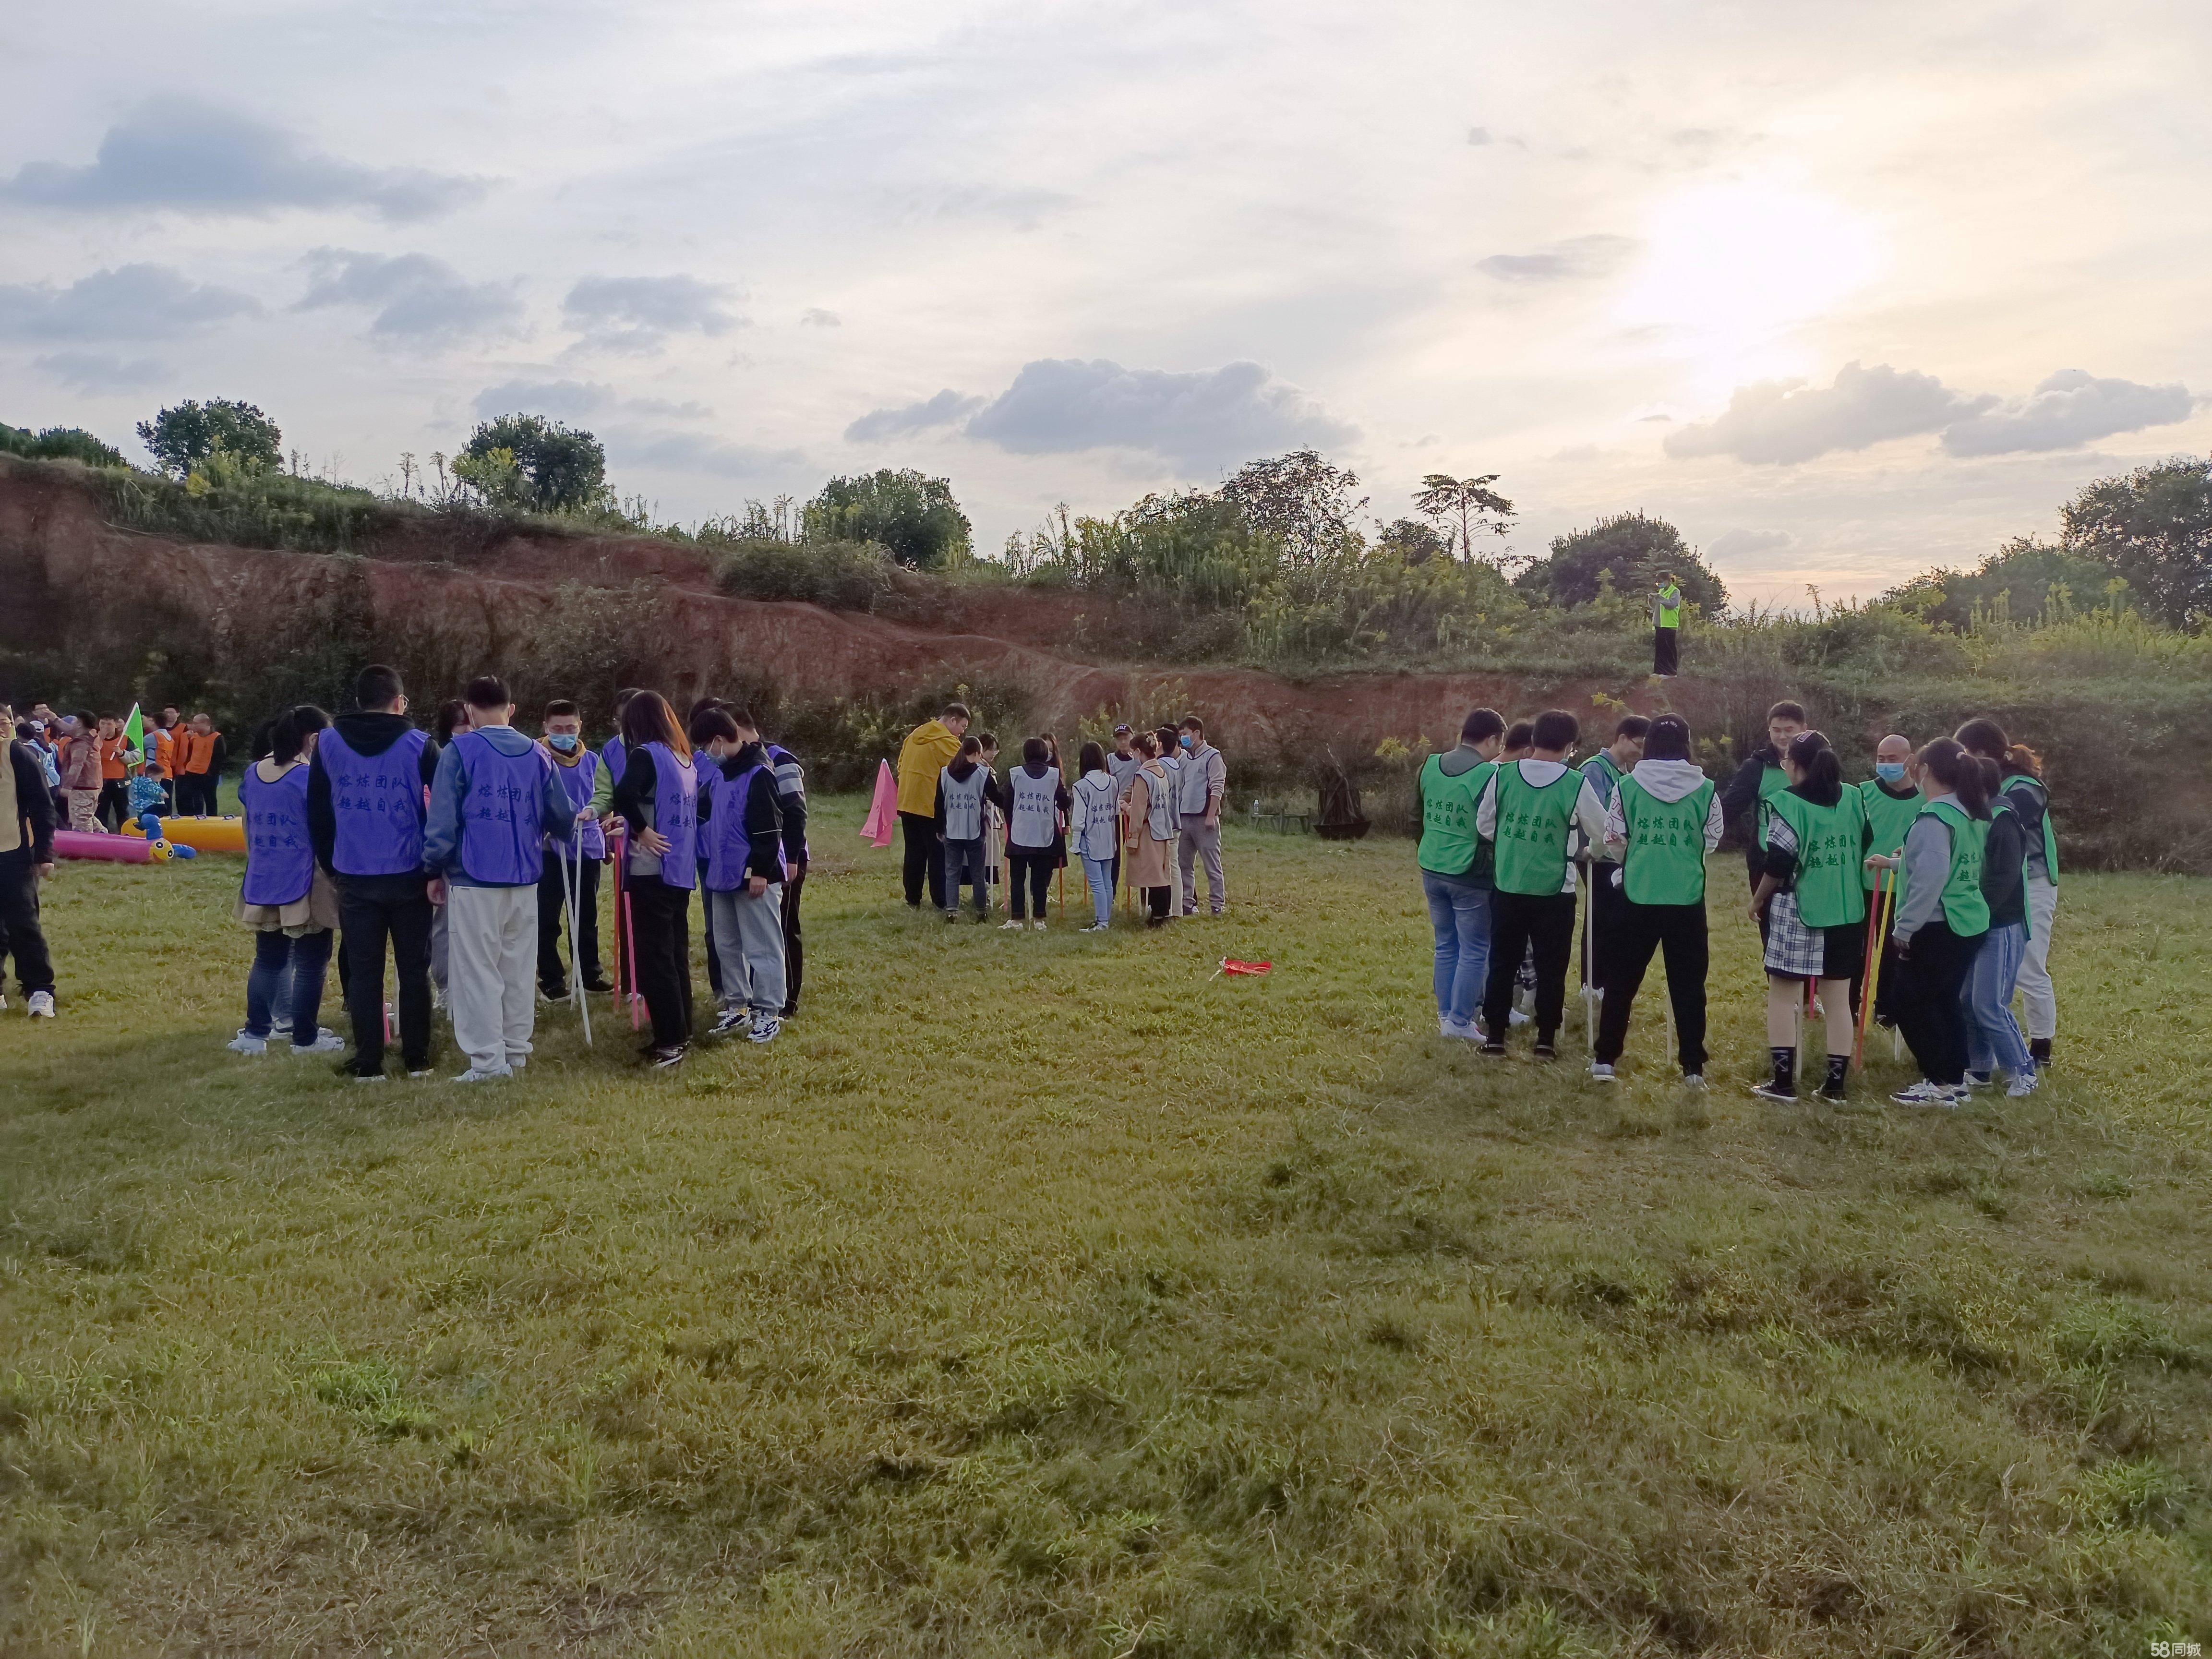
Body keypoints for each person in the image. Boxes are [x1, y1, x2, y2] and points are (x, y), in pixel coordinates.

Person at [424, 675, 573, 1082]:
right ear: (511, 709)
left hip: (474, 877)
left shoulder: (461, 750)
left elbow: (442, 820)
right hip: (525, 877)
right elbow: (563, 817)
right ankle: (515, 1052)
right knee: (518, 970)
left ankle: (488, 1062)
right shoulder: (537, 754)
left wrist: (432, 867)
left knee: (477, 972)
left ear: (469, 710)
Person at [309, 665, 441, 1082]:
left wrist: (330, 864)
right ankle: (418, 1058)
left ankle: (369, 1062)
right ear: (399, 701)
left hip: (354, 873)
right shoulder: (421, 745)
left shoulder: (327, 743)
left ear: (359, 701)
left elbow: (318, 809)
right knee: (413, 969)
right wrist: (435, 866)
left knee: (364, 973)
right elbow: (440, 812)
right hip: (410, 873)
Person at [1593, 713, 1723, 1085]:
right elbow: (1712, 838)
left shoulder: (1628, 786)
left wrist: (1635, 862)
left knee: (1622, 980)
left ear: (1648, 745)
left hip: (1637, 895)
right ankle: (1693, 1067)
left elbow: (1614, 836)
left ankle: (1605, 1059)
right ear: (1686, 746)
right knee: (1688, 986)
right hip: (1686, 897)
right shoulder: (1706, 788)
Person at [1475, 709, 1610, 1058]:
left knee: (1503, 963)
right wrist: (1590, 851)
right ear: (1569, 746)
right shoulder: (1575, 783)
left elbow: (1485, 826)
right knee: (1552, 966)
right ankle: (1546, 1039)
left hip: (1508, 883)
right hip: (1556, 891)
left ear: (1532, 741)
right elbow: (1603, 833)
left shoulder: (1501, 775)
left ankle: (1495, 1038)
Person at [1747, 732, 1869, 1103]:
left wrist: (1756, 901)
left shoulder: (1786, 803)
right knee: (1838, 1001)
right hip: (1847, 912)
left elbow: (1779, 862)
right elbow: (1866, 839)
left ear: (1796, 765)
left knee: (1783, 997)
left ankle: (1783, 1084)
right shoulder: (1854, 796)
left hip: (1800, 911)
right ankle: (1835, 1087)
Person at [1873, 737, 1993, 1108]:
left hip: (1937, 926)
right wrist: (1894, 864)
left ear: (1924, 770)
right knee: (1944, 1001)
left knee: (1908, 1003)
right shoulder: (1969, 813)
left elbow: (1931, 877)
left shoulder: (1934, 817)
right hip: (1968, 921)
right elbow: (1939, 863)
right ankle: (1955, 1081)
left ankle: (1938, 1082)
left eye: (1916, 767)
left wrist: (1904, 929)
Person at [230, 705, 343, 1057]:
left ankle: (255, 1033)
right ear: (313, 739)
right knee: (311, 961)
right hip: (306, 880)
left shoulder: (252, 773)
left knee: (268, 959)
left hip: (263, 880)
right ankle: (305, 1039)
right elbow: (328, 828)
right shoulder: (309, 778)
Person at [1959, 717, 2059, 1070]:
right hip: (2003, 882)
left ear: (1984, 754)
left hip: (2033, 883)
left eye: (1966, 754)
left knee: (2028, 968)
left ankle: (2041, 1047)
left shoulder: (2025, 786)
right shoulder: (1992, 782)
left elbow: (2002, 815)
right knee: (1994, 972)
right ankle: (1992, 1051)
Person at [609, 691, 701, 1067]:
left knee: (654, 959)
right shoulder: (685, 760)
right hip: (679, 868)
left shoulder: (645, 754)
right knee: (675, 953)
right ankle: (681, 1031)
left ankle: (669, 1043)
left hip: (652, 867)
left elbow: (624, 794)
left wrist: (641, 831)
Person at [694, 706, 788, 1042]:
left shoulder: (760, 772)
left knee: (762, 946)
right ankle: (737, 1007)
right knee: (727, 944)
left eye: (706, 746)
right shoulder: (721, 774)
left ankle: (769, 1012)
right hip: (722, 874)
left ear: (719, 740)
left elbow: (770, 827)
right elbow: (702, 812)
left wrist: (760, 871)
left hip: (754, 876)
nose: (706, 754)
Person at [1953, 720, 2037, 1096]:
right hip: (1978, 924)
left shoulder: (2003, 820)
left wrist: (1978, 914)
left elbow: (2002, 881)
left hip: (2000, 926)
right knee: (1968, 1002)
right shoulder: (1978, 820)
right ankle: (1979, 1068)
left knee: (1989, 1004)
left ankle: (2023, 1071)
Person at [1417, 708, 1505, 1040]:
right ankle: (1459, 1021)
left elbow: (1417, 816)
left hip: (1432, 866)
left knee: (1445, 945)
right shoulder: (1488, 774)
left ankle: (1446, 1016)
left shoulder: (1429, 764)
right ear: (1493, 739)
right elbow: (1492, 829)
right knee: (1474, 947)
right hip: (1470, 874)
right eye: (1500, 744)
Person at [537, 700, 611, 1002]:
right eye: (557, 729)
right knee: (547, 917)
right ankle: (552, 980)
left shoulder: (593, 760)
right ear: (546, 728)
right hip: (549, 848)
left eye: (570, 728)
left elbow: (605, 799)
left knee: (585, 915)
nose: (564, 734)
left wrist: (607, 835)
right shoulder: (537, 757)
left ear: (580, 726)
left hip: (587, 847)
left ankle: (589, 973)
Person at [1721, 701, 1807, 934]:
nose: (1782, 737)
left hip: (1812, 861)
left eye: (1789, 730)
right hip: (1768, 861)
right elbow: (1728, 810)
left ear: (1803, 728)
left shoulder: (1820, 762)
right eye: (1776, 730)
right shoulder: (1756, 767)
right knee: (1772, 934)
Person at [1578, 715, 1649, 995]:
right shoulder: (1595, 769)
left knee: (1611, 920)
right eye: (1639, 745)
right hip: (1595, 856)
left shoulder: (1622, 771)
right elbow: (1595, 817)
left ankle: (1604, 981)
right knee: (1598, 919)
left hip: (1615, 857)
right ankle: (1591, 984)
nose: (1642, 753)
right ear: (1621, 738)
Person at [1856, 733, 1920, 1029]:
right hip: (1863, 885)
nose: (1885, 764)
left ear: (1910, 760)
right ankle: (1850, 1007)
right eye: (1881, 758)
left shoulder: (1925, 798)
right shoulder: (1862, 793)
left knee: (1894, 954)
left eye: (1892, 759)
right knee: (1858, 951)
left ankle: (1886, 1011)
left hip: (1903, 888)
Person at [0, 720, 58, 1019]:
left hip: (14, 852)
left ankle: (39, 990)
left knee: (23, 922)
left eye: (3, 724)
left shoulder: (20, 756)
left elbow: (43, 806)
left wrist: (44, 853)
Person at [896, 702, 969, 909]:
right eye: (962, 726)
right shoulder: (945, 741)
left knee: (913, 852)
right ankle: (941, 900)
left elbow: (900, 765)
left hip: (907, 801)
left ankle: (913, 898)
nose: (962, 732)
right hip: (929, 805)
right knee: (938, 853)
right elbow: (963, 767)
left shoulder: (913, 736)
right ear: (952, 720)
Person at [761, 725, 809, 1018]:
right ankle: (765, 994)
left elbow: (796, 811)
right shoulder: (742, 762)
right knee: (765, 930)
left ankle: (789, 999)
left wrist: (791, 856)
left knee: (785, 926)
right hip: (762, 856)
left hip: (788, 858)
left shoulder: (781, 759)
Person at [1002, 736, 1069, 930]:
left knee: (1017, 878)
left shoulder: (1015, 774)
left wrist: (1014, 824)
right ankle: (1039, 919)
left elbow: (1007, 804)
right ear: (1044, 753)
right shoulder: (1054, 775)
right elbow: (1064, 802)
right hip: (1045, 833)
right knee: (1040, 879)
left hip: (1020, 834)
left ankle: (1017, 919)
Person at [935, 734, 996, 921]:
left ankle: (952, 911)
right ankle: (981, 912)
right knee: (978, 874)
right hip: (975, 832)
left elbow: (938, 803)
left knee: (952, 873)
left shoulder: (945, 772)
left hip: (952, 831)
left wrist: (939, 829)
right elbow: (998, 797)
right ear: (978, 753)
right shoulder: (983, 774)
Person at [1174, 716, 1228, 917]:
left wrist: (1211, 815)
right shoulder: (1184, 759)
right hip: (1185, 818)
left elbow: (1217, 787)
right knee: (1183, 864)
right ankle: (1187, 903)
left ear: (1197, 734)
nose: (1183, 739)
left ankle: (1217, 903)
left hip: (1204, 818)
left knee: (1211, 863)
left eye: (1185, 735)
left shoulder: (1213, 756)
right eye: (1181, 736)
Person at [1122, 731, 1178, 925]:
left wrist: (1132, 836)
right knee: (1162, 875)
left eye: (1133, 752)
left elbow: (1139, 810)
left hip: (1148, 830)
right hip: (1163, 828)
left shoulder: (1143, 776)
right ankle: (1163, 913)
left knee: (1152, 877)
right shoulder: (1161, 773)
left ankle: (1157, 917)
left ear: (1138, 751)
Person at [1070, 742, 1121, 931]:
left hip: (1090, 840)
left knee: (1097, 882)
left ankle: (1102, 922)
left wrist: (1075, 844)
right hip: (1109, 837)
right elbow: (1116, 810)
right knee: (1107, 881)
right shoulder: (1113, 782)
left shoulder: (1081, 786)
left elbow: (1078, 820)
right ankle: (1105, 920)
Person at [173, 712, 226, 816]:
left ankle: (212, 820)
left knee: (210, 799)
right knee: (188, 796)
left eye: (196, 723)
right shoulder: (193, 737)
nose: (193, 726)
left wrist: (212, 773)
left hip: (208, 774)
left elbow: (220, 757)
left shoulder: (218, 738)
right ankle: (194, 818)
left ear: (205, 724)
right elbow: (188, 752)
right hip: (191, 772)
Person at [59, 712, 102, 832]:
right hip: (93, 786)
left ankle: (87, 850)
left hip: (81, 788)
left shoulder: (80, 744)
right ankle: (103, 837)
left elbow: (77, 765)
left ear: (80, 723)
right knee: (89, 817)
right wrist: (52, 717)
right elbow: (69, 729)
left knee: (81, 823)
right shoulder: (93, 738)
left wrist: (67, 786)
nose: (72, 724)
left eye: (75, 721)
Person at [95, 715, 133, 831]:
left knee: (123, 810)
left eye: (109, 724)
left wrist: (122, 753)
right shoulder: (93, 739)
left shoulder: (125, 739)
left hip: (121, 781)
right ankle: (102, 835)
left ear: (116, 725)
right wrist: (98, 740)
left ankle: (125, 833)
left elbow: (136, 756)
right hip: (100, 781)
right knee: (101, 811)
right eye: (102, 723)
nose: (105, 727)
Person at [1651, 572, 1683, 676]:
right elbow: (1656, 607)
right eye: (1658, 583)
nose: (1660, 584)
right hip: (1660, 624)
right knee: (1660, 649)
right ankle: (1659, 671)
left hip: (1670, 625)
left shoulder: (1675, 591)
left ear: (1669, 580)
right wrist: (1651, 599)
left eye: (1661, 582)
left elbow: (1672, 605)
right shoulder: (1661, 591)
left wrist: (1659, 598)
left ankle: (1670, 673)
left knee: (1668, 649)